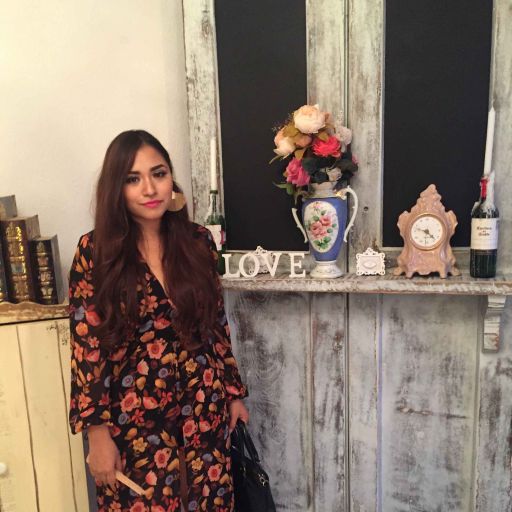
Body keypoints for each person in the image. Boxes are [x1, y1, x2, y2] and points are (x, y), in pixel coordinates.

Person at [68, 130, 249, 511]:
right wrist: (97, 434)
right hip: (133, 418)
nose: (150, 189)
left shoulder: (198, 241)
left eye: (159, 173)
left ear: (171, 179)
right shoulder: (95, 251)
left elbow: (215, 323)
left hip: (204, 406)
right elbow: (87, 346)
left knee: (209, 501)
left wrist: (233, 393)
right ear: (116, 188)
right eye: (133, 179)